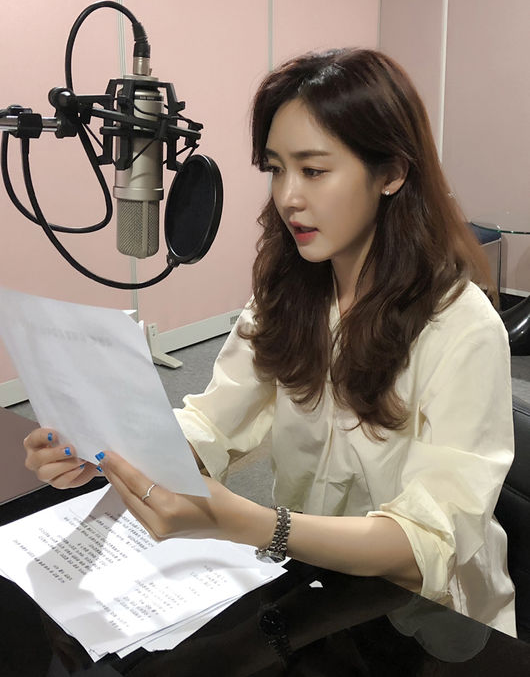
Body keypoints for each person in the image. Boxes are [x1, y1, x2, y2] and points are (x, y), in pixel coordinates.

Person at [23, 48, 516, 636]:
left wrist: (252, 523)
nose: (288, 197)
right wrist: (108, 451)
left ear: (391, 173)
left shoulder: (461, 328)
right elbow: (213, 422)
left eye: (314, 170)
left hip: (430, 622)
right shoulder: (291, 293)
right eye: (277, 169)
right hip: (315, 590)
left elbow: (425, 546)